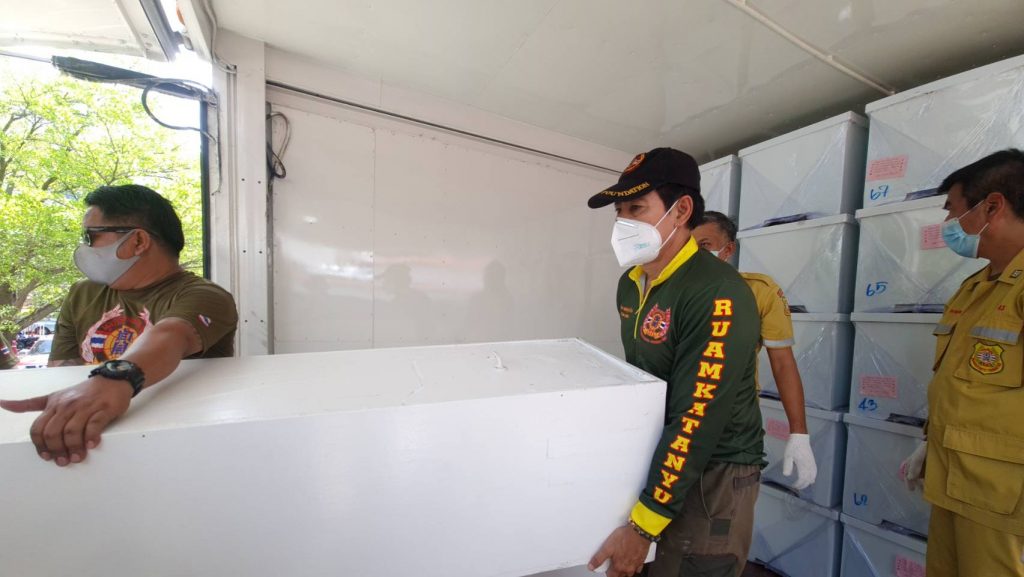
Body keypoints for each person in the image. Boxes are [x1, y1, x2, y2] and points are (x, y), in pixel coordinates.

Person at [586, 148, 764, 577]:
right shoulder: (632, 284)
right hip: (663, 454)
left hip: (713, 473)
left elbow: (697, 417)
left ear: (681, 210)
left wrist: (643, 525)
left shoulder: (716, 292)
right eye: (619, 212)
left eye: (636, 209)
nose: (622, 223)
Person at [0, 184, 238, 468]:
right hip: (91, 447)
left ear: (137, 241)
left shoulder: (206, 297)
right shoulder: (83, 293)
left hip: (174, 450)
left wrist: (115, 378)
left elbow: (170, 334)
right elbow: (63, 373)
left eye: (91, 236)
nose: (85, 247)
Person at [900, 149, 1024, 576]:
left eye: (953, 210)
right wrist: (931, 440)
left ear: (992, 206)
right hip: (954, 480)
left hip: (1003, 499)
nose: (949, 224)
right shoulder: (975, 288)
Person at [693, 211, 817, 490]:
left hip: (732, 434)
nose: (695, 254)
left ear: (728, 250)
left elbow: (783, 363)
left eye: (705, 245)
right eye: (688, 246)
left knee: (727, 513)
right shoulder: (668, 291)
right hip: (675, 429)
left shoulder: (757, 292)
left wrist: (799, 433)